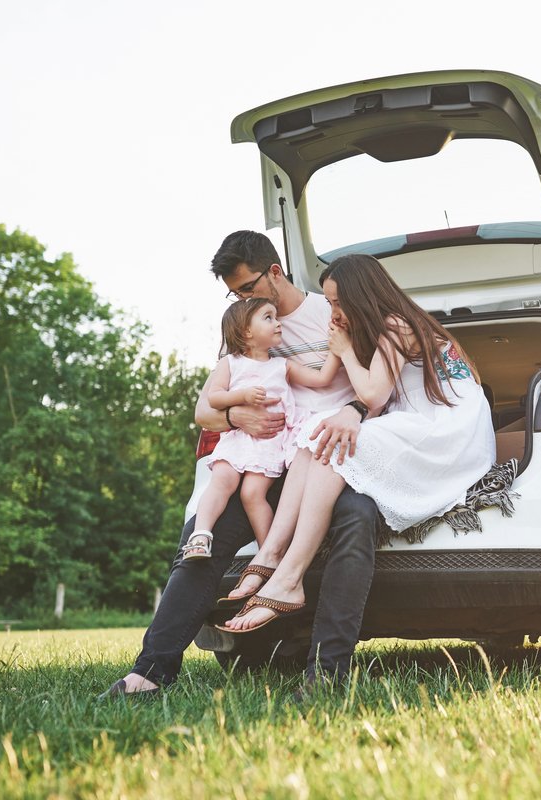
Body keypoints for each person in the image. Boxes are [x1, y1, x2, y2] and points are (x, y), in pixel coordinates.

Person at [101, 231, 378, 698]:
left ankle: (326, 673)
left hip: (329, 455)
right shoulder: (245, 327)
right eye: (235, 294)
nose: (242, 299)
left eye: (248, 288)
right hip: (266, 459)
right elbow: (205, 409)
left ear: (274, 272)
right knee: (202, 537)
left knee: (357, 518)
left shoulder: (329, 313)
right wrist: (236, 415)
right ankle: (150, 671)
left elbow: (377, 387)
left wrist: (354, 411)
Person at [216, 253, 496, 639]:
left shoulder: (397, 326)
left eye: (335, 302)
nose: (332, 312)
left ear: (360, 296)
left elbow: (374, 395)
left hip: (446, 431)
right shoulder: (396, 325)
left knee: (333, 443)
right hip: (433, 423)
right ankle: (270, 557)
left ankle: (289, 575)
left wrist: (344, 350)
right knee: (317, 432)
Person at [182, 298, 342, 560]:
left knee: (252, 494)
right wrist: (243, 396)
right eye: (268, 318)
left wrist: (337, 350)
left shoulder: (282, 366)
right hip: (237, 439)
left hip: (268, 443)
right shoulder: (230, 364)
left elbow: (322, 379)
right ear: (246, 331)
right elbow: (215, 397)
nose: (278, 323)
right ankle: (200, 535)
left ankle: (269, 554)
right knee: (222, 481)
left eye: (276, 317)